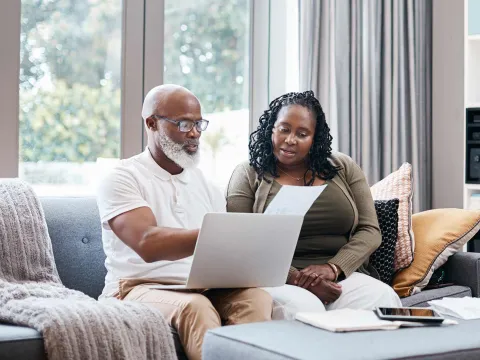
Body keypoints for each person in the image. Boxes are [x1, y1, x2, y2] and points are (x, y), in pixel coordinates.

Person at [96, 84, 272, 360]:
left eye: (199, 124)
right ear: (151, 123)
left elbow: (221, 255)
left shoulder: (207, 186)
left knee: (257, 298)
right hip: (137, 287)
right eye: (183, 124)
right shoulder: (122, 177)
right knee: (195, 307)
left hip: (201, 284)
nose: (194, 133)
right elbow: (147, 243)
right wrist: (214, 234)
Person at [226, 90, 401, 318]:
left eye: (302, 133)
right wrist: (298, 278)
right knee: (304, 310)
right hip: (277, 278)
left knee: (383, 298)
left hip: (340, 276)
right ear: (272, 128)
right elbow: (242, 240)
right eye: (284, 129)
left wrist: (332, 269)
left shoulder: (343, 167)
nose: (290, 140)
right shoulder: (248, 173)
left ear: (314, 138)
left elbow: (370, 230)